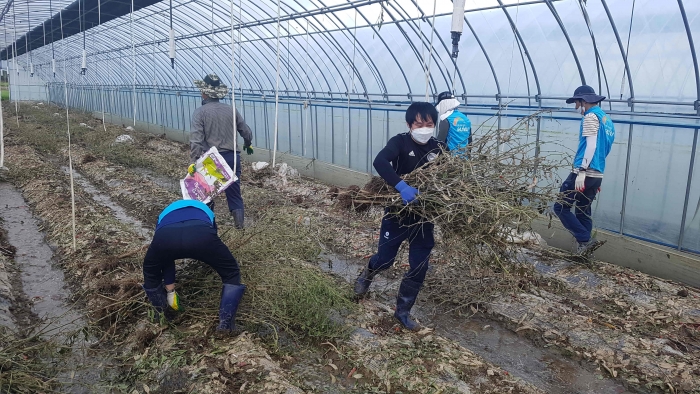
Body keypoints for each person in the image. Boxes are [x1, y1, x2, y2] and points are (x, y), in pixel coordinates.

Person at [354, 102, 445, 331]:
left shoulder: (440, 148)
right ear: (409, 124)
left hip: (423, 218)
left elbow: (448, 177)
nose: (424, 128)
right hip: (397, 214)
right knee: (385, 260)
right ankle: (369, 272)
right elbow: (380, 162)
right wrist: (402, 186)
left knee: (419, 267)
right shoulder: (400, 142)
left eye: (429, 123)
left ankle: (402, 312)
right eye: (419, 123)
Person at [141, 199, 246, 332]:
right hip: (200, 235)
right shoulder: (205, 209)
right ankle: (226, 325)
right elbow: (212, 241)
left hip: (165, 238)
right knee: (231, 272)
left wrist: (170, 291)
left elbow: (166, 260)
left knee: (151, 273)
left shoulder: (166, 211)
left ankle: (162, 314)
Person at [553, 85, 615, 255]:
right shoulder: (607, 120)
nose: (576, 107)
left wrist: (582, 171)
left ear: (584, 101)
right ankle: (585, 252)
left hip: (583, 172)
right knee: (582, 211)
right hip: (596, 174)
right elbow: (605, 149)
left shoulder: (590, 117)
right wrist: (595, 177)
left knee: (560, 208)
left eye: (576, 102)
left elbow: (592, 145)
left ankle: (585, 240)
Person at [190, 73, 254, 229]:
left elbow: (196, 140)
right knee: (234, 193)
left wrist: (193, 162)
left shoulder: (200, 113)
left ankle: (210, 227)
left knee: (206, 194)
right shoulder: (231, 110)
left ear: (204, 93)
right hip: (232, 157)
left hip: (212, 159)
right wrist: (248, 143)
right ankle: (240, 228)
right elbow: (246, 131)